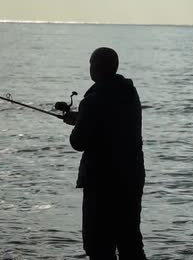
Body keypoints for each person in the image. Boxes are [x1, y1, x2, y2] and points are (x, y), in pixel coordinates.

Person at [62, 47, 147, 260]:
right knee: (130, 242)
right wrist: (82, 118)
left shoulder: (92, 101)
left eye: (91, 63)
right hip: (131, 178)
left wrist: (80, 122)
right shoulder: (129, 93)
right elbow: (111, 120)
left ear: (97, 66)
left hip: (102, 183)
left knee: (98, 244)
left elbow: (78, 142)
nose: (89, 67)